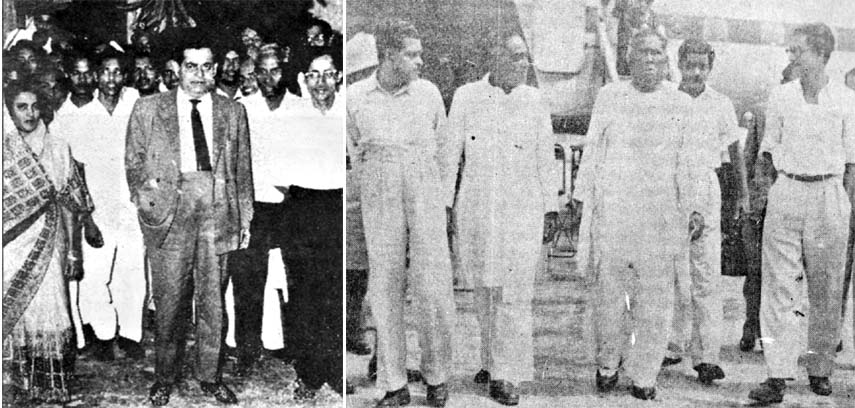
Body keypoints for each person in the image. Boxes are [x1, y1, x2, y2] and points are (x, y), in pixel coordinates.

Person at [125, 31, 253, 406]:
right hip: (170, 214)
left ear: (216, 70)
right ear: (176, 69)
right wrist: (150, 207)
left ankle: (210, 377)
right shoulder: (148, 109)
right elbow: (133, 163)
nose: (199, 74)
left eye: (207, 66)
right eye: (191, 66)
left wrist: (243, 218)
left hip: (217, 212)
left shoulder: (233, 111)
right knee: (169, 300)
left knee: (213, 300)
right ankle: (165, 376)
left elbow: (243, 171)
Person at [575, 28, 695, 401]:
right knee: (609, 297)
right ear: (628, 57)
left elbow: (689, 163)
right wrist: (582, 201)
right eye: (642, 52)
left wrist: (691, 208)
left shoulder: (680, 104)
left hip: (659, 217)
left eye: (657, 54)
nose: (649, 60)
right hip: (614, 213)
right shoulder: (610, 96)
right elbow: (593, 150)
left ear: (666, 61)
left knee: (656, 300)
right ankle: (608, 363)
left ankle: (645, 374)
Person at [445, 30, 558, 406]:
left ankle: (507, 374)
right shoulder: (466, 97)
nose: (522, 64)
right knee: (485, 291)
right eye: (514, 56)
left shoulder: (536, 101)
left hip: (523, 210)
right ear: (492, 58)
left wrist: (551, 207)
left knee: (514, 294)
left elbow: (546, 157)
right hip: (477, 207)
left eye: (525, 56)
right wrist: (445, 206)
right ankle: (490, 360)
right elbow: (450, 156)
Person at [347, 19, 455, 407]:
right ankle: (394, 385)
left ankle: (437, 377)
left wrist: (442, 205)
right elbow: (355, 151)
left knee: (433, 287)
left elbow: (444, 153)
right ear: (389, 55)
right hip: (379, 187)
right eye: (411, 54)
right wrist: (378, 184)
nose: (420, 61)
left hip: (423, 187)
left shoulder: (428, 94)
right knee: (385, 286)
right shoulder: (357, 96)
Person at [748, 23, 855, 404]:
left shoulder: (846, 99)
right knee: (778, 287)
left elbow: (852, 163)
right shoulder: (780, 97)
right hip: (787, 191)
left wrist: (846, 207)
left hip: (829, 193)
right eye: (789, 50)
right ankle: (777, 375)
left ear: (822, 54)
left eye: (799, 51)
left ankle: (820, 369)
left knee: (826, 288)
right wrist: (763, 196)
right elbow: (766, 152)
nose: (791, 57)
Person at [2, 81, 94, 405]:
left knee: (51, 310)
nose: (29, 113)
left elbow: (71, 203)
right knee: (12, 312)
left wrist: (72, 251)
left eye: (34, 106)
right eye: (20, 107)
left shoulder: (58, 147)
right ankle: (13, 387)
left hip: (48, 241)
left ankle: (49, 386)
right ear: (9, 111)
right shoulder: (4, 149)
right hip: (9, 247)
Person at [665, 38, 749, 385]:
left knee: (706, 276)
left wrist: (742, 194)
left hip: (706, 186)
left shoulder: (721, 103)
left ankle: (707, 356)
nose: (696, 71)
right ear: (680, 64)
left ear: (710, 67)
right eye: (690, 64)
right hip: (669, 187)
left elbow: (734, 151)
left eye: (703, 65)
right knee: (668, 273)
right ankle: (667, 344)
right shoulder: (667, 98)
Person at [55, 48, 145, 362]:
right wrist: (88, 218)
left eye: (117, 71)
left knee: (133, 273)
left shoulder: (135, 107)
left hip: (132, 209)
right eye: (105, 71)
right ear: (96, 75)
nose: (110, 78)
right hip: (97, 211)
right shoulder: (76, 116)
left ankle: (131, 334)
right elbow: (73, 172)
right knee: (96, 276)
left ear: (125, 76)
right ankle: (105, 334)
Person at [276, 53, 345, 397]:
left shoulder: (348, 112)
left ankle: (335, 370)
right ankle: (308, 374)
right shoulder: (291, 114)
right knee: (303, 295)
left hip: (338, 208)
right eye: (314, 76)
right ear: (304, 79)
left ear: (339, 77)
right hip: (302, 209)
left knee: (334, 294)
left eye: (327, 75)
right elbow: (278, 172)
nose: (321, 83)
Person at [226, 46, 294, 377]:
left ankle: (294, 348)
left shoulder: (300, 107)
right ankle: (247, 349)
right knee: (247, 281)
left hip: (292, 206)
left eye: (275, 70)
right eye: (261, 72)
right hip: (254, 207)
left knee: (293, 279)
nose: (269, 78)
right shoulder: (243, 109)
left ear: (286, 70)